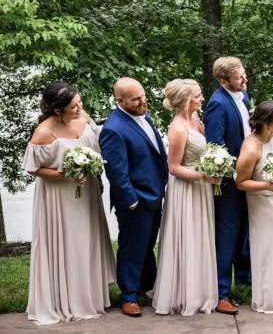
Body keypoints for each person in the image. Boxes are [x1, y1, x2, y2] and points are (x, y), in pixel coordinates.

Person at [23, 81, 115, 324]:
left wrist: (95, 171)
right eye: (74, 106)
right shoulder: (44, 132)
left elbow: (96, 151)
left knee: (88, 240)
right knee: (68, 243)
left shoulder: (84, 118)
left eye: (80, 102)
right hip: (59, 198)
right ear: (57, 110)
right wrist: (66, 174)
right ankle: (66, 300)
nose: (80, 108)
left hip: (87, 193)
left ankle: (91, 298)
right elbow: (34, 169)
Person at [100, 77, 168, 318]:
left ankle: (148, 286)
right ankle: (128, 296)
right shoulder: (113, 129)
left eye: (143, 95)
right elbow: (117, 171)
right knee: (132, 247)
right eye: (136, 99)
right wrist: (131, 200)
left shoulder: (144, 116)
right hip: (135, 201)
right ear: (120, 100)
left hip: (154, 194)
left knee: (147, 245)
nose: (143, 101)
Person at [151, 79, 218, 315]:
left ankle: (201, 291)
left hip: (201, 188)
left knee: (200, 236)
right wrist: (204, 175)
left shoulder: (196, 121)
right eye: (198, 96)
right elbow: (174, 167)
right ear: (186, 100)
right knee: (187, 236)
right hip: (186, 190)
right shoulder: (178, 127)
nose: (201, 99)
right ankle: (183, 294)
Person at [235, 101, 273, 314]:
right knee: (269, 248)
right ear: (267, 124)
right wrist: (268, 185)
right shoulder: (252, 147)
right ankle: (270, 298)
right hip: (262, 205)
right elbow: (240, 182)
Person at [204, 56, 252, 314]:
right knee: (227, 235)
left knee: (245, 230)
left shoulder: (243, 97)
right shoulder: (217, 105)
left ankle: (243, 281)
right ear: (223, 81)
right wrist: (235, 173)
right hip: (229, 183)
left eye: (243, 75)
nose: (245, 80)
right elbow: (215, 146)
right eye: (239, 78)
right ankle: (221, 291)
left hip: (246, 178)